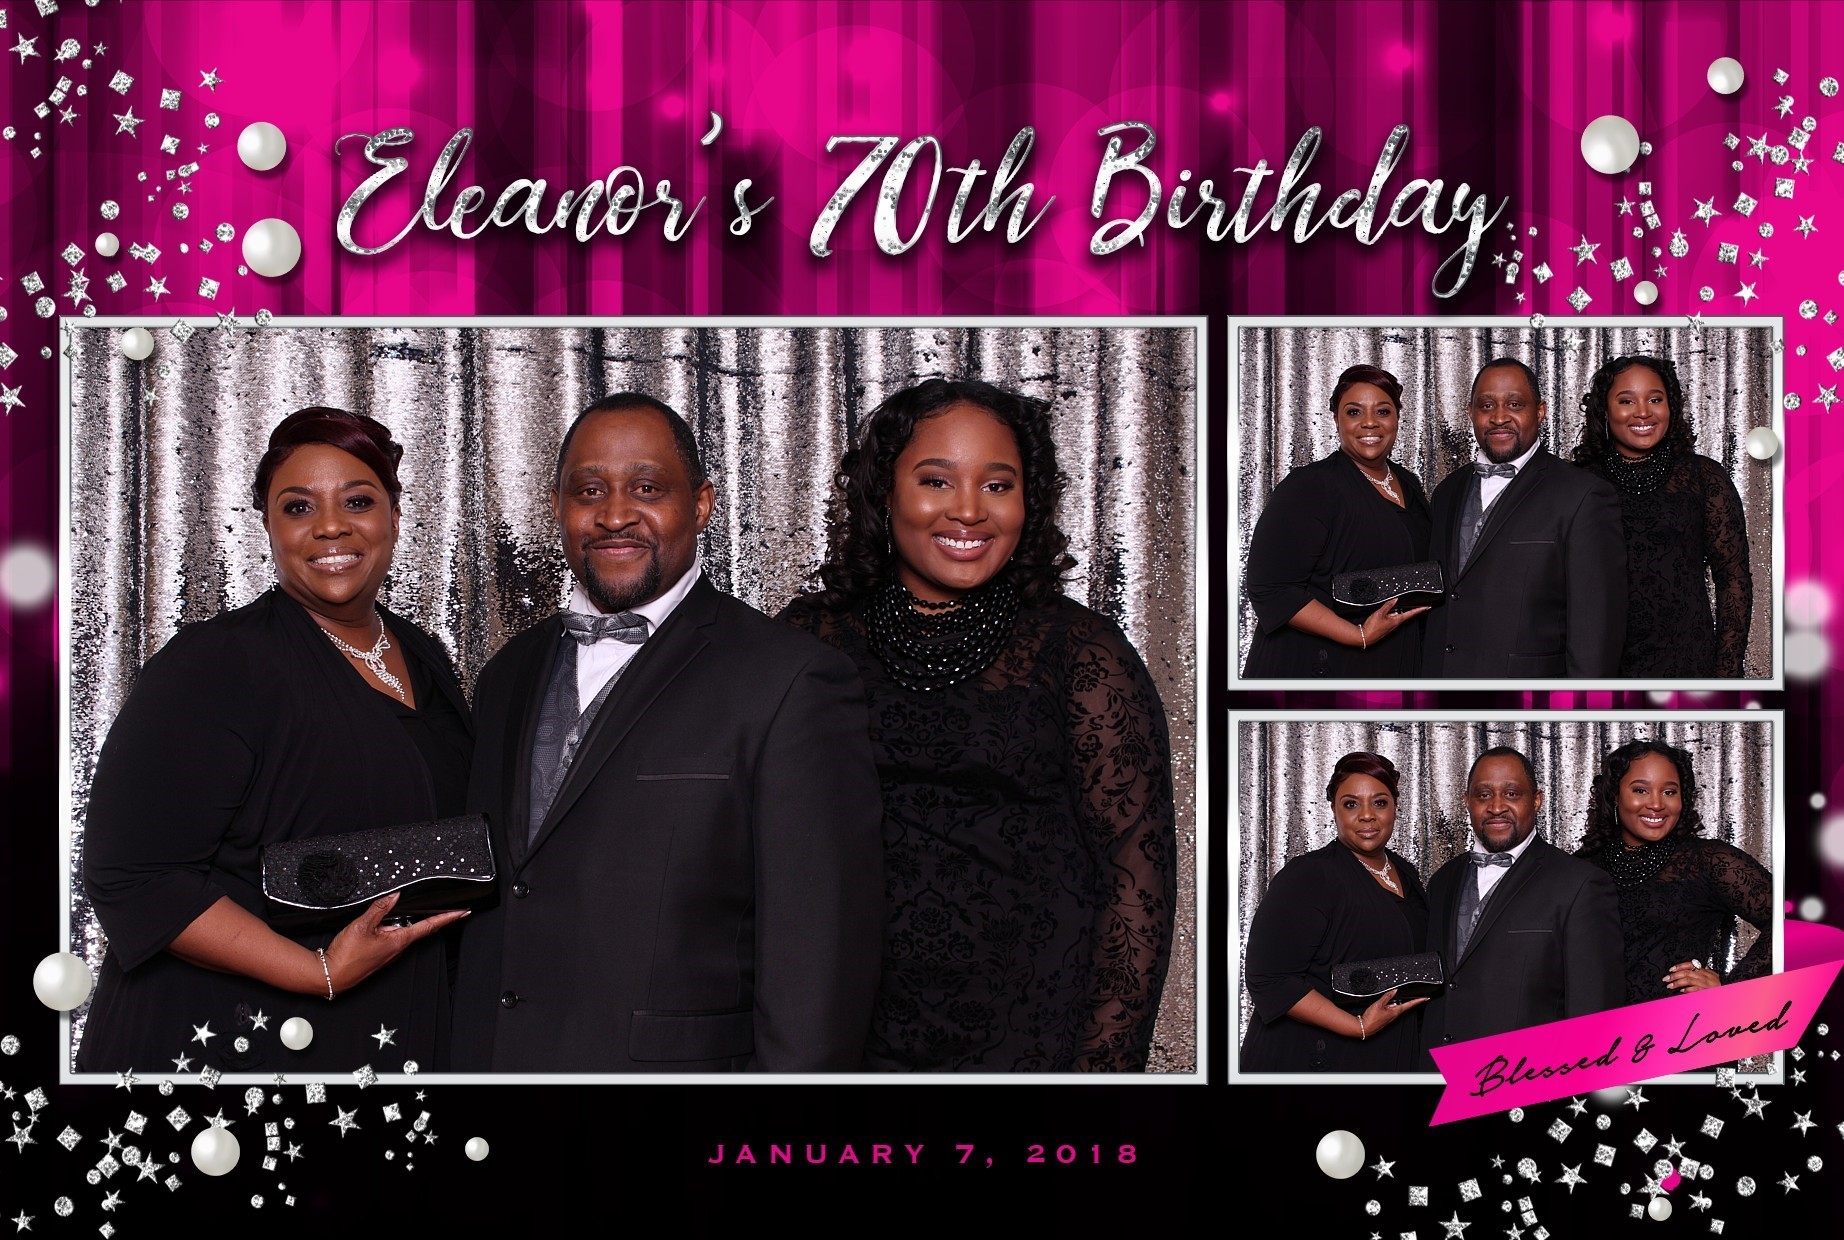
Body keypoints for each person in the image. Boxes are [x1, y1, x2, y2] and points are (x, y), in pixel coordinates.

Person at [451, 394, 883, 1072]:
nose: (615, 515)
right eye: (589, 491)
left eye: (647, 489)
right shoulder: (506, 674)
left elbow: (817, 953)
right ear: (557, 506)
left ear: (702, 503)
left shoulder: (790, 679)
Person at [780, 378, 1176, 1071]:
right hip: (845, 1037)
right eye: (936, 480)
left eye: (998, 486)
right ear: (884, 493)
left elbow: (1136, 880)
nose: (968, 510)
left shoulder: (1080, 653)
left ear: (1029, 501)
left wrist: (1102, 1075)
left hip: (1034, 1041)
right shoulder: (810, 642)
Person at [79, 408, 473, 1073]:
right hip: (231, 1043)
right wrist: (317, 971)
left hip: (387, 1035)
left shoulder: (423, 653)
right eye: (298, 507)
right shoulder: (218, 662)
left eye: (357, 501)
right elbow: (133, 876)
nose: (331, 526)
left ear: (396, 514)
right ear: (268, 525)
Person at [1421, 358, 1626, 678]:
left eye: (1514, 404)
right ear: (1471, 412)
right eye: (1486, 405)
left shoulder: (1583, 495)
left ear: (1540, 411)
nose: (1499, 417)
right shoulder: (1447, 491)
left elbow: (1594, 631)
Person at [1421, 747, 1624, 1062]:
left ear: (1537, 800)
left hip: (1524, 1078)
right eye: (1483, 795)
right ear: (1467, 802)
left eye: (1512, 794)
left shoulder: (1580, 884)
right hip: (1437, 1076)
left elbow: (1593, 1015)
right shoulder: (1442, 881)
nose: (1496, 807)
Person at [1240, 752, 1430, 1073]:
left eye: (1380, 803)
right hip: (1314, 1059)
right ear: (1334, 809)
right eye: (1351, 804)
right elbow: (1269, 979)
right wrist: (1357, 1026)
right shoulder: (1310, 875)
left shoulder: (1406, 873)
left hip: (1387, 1055)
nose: (1367, 816)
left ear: (1395, 807)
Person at [1242, 364, 1431, 678]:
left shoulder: (1409, 483)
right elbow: (1271, 588)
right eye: (1354, 412)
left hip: (1391, 661)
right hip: (1319, 666)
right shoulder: (1311, 486)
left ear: (1397, 418)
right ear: (1336, 419)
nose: (1369, 422)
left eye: (1383, 411)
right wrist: (1358, 635)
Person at [1571, 356, 1752, 677]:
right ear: (1604, 411)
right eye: (1626, 401)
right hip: (1598, 665)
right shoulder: (1577, 483)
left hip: (1687, 663)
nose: (1643, 412)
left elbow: (1733, 579)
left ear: (1671, 407)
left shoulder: (1704, 478)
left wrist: (1728, 670)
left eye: (1655, 399)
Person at [1575, 740, 1772, 1004]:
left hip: (1677, 1026)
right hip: (1593, 1026)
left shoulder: (1707, 861)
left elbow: (1793, 923)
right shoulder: (1581, 868)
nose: (1656, 804)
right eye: (1641, 790)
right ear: (1614, 796)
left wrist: (1732, 987)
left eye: (1669, 792)